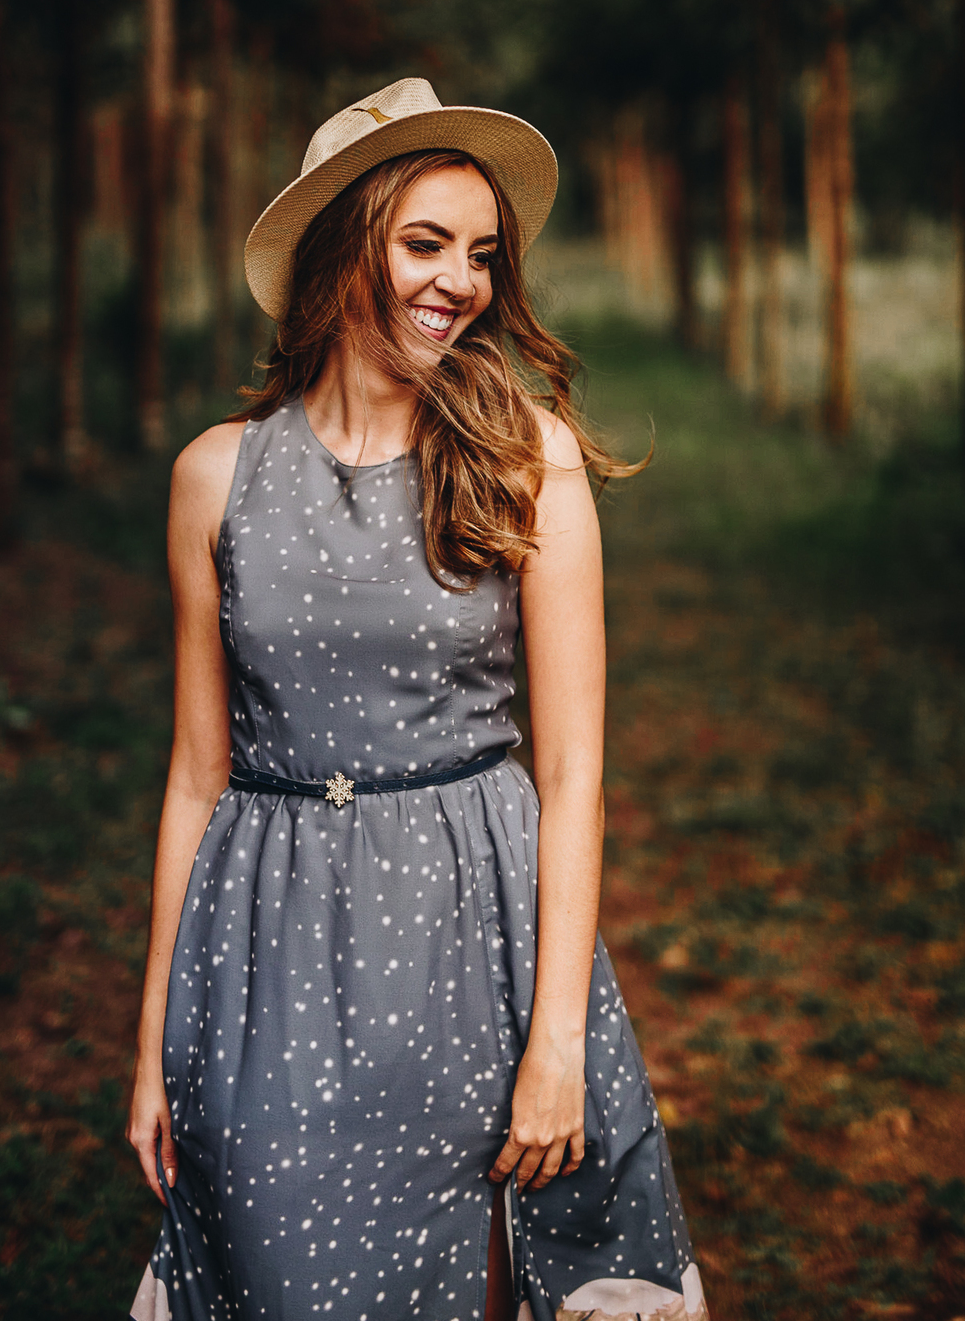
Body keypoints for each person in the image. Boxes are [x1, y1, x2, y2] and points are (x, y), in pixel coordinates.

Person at [126, 78, 709, 1321]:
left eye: (483, 254)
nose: (461, 281)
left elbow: (573, 773)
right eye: (425, 243)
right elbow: (193, 774)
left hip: (476, 940)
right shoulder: (212, 479)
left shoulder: (524, 456)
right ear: (347, 250)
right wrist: (153, 1047)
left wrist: (553, 1044)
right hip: (266, 954)